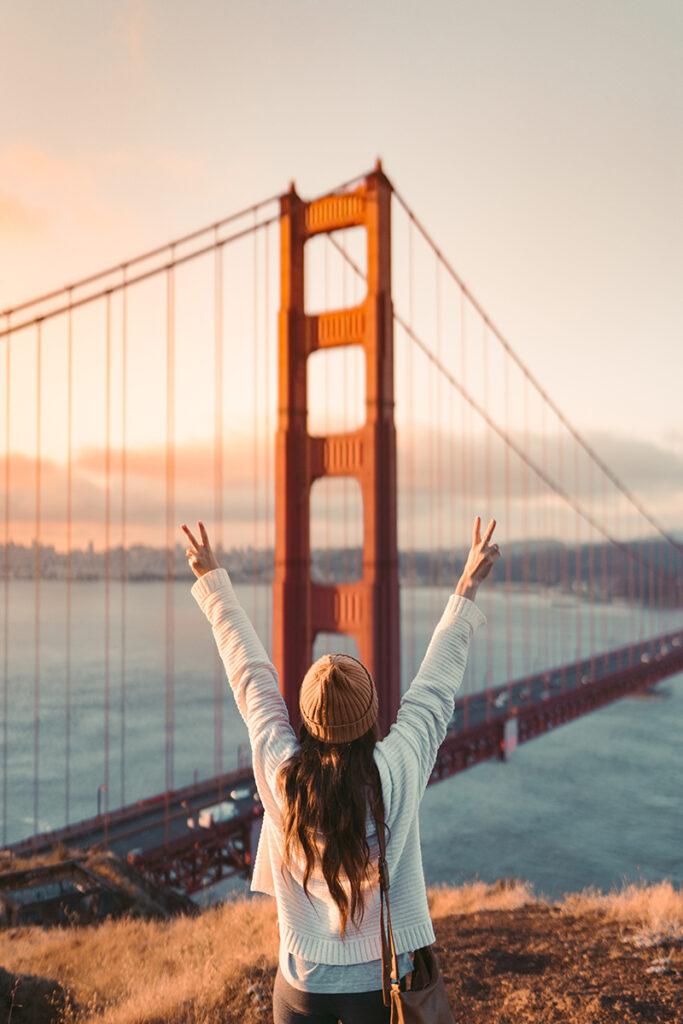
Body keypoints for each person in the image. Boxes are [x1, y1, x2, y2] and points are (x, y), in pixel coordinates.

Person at [182, 516, 500, 1024]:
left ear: (305, 720)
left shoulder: (282, 775)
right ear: (372, 714)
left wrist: (212, 580)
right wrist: (467, 583)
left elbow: (253, 680)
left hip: (301, 990)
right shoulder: (397, 768)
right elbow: (433, 689)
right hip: (382, 987)